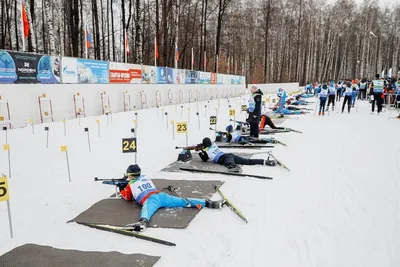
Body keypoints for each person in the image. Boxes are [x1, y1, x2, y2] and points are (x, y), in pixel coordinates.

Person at [120, 164, 224, 232]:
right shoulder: (145, 177)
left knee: (146, 210)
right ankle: (208, 203)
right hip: (161, 196)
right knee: (183, 201)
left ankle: (142, 222)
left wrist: (121, 188)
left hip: (150, 199)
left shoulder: (130, 184)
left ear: (130, 175)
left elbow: (128, 197)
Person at [198, 137, 276, 171]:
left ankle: (233, 167)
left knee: (229, 164)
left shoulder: (206, 150)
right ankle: (264, 161)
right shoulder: (213, 144)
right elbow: (208, 146)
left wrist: (200, 152)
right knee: (247, 161)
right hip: (228, 155)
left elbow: (204, 159)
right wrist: (202, 149)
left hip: (225, 158)